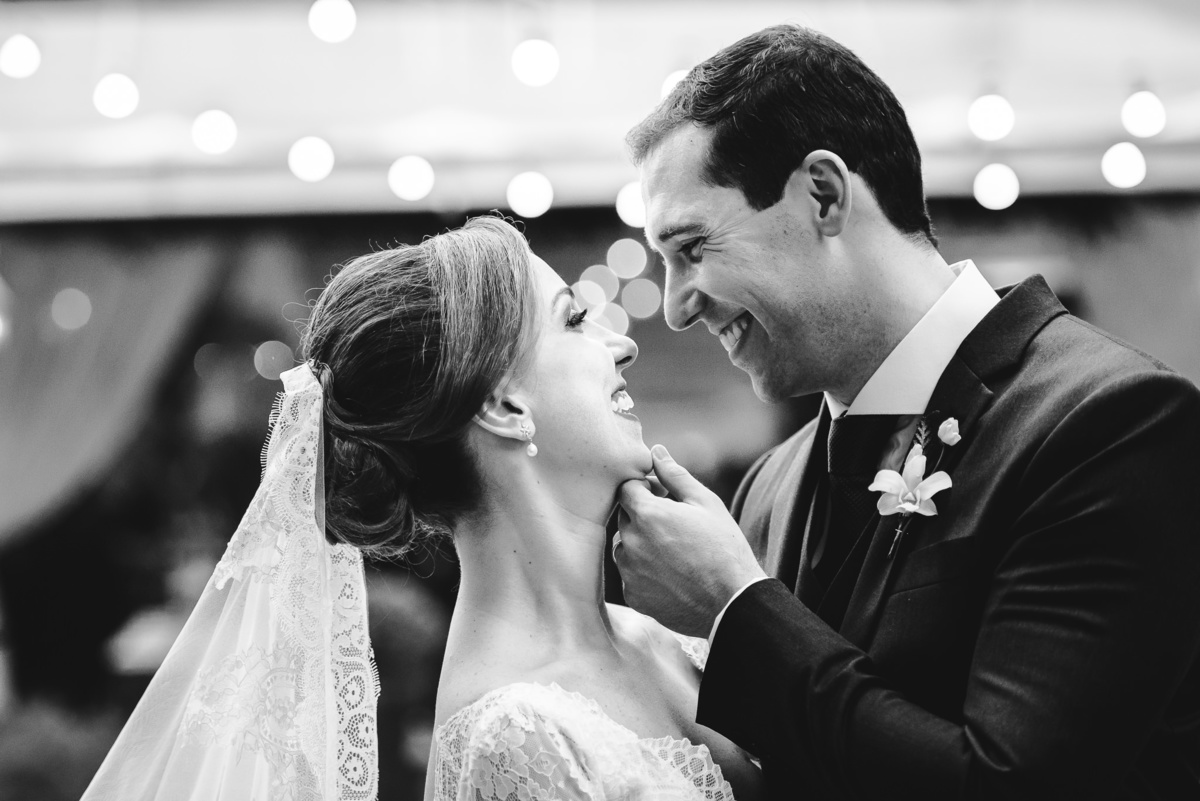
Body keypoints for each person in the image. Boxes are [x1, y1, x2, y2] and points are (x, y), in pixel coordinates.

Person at [613, 23, 1200, 799]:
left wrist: (737, 607)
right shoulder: (763, 490)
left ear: (823, 194)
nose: (679, 306)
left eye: (691, 247)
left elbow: (1008, 783)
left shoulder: (1111, 426)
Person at [82, 216, 763, 801]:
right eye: (575, 320)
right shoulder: (517, 735)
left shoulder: (663, 632)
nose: (622, 342)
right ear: (502, 406)